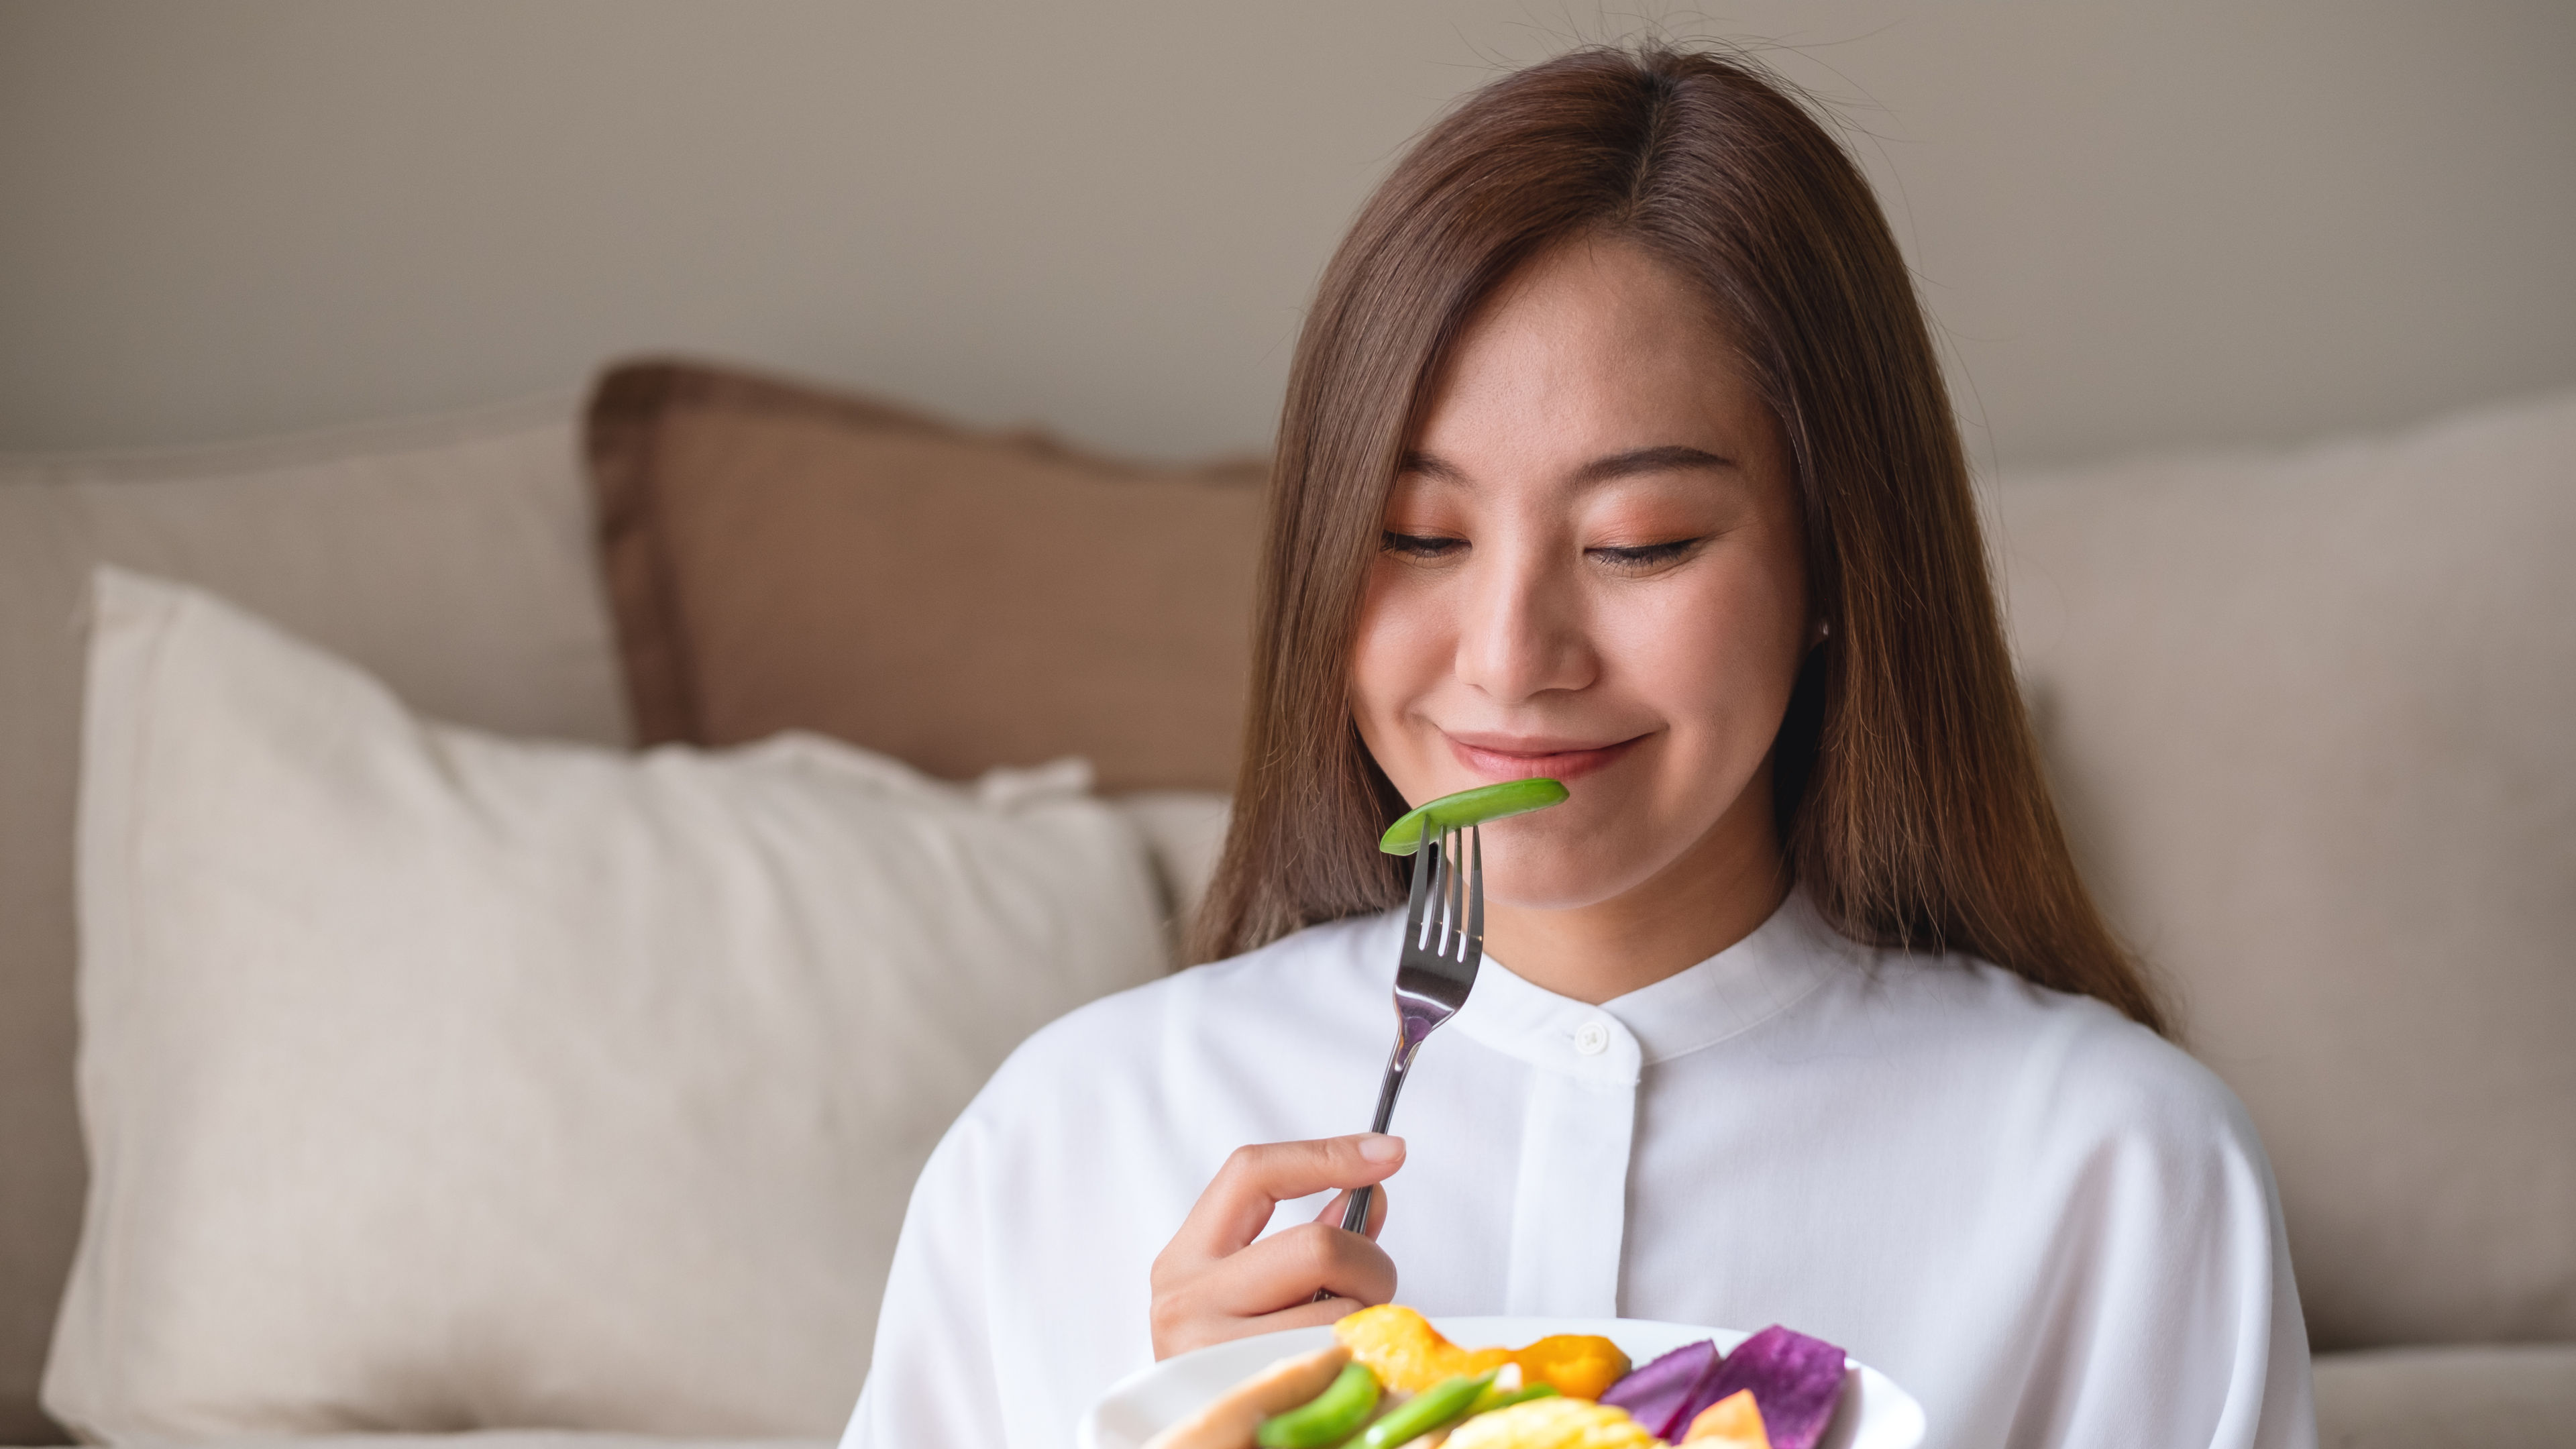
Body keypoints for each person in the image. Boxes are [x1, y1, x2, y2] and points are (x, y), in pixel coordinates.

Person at [839, 44, 2314, 1449]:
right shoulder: (1070, 1138)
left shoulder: (2119, 1171)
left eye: (1641, 543)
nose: (1506, 659)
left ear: (1835, 568)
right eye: (1416, 534)